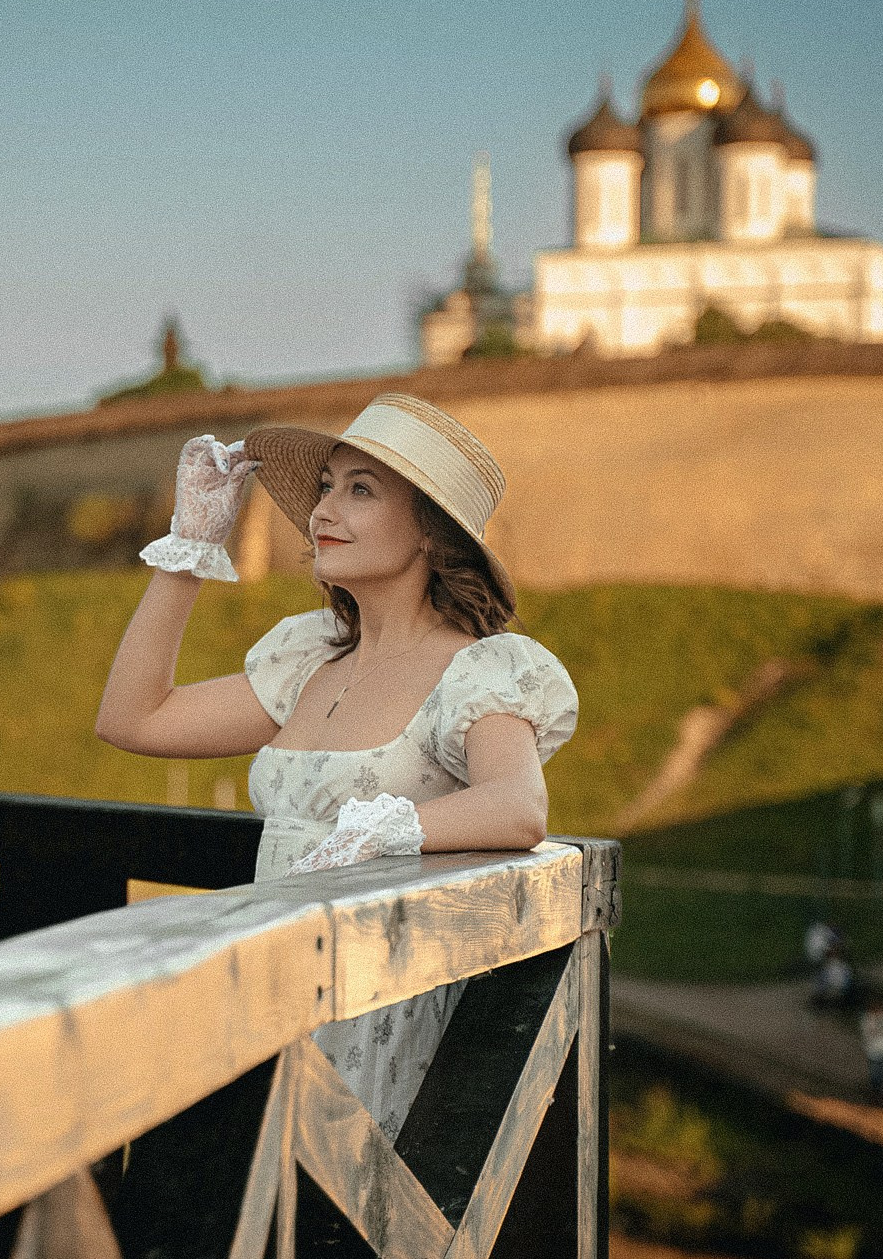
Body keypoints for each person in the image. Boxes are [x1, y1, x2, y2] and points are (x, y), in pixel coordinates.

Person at [95, 393, 578, 1139]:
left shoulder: (478, 671)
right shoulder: (310, 659)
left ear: (428, 533)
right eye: (325, 486)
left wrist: (386, 826)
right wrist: (189, 547)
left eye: (360, 490)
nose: (324, 509)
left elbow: (519, 806)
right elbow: (132, 718)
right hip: (265, 1000)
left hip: (374, 1021)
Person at [860, 996, 883, 1099]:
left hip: (878, 1049)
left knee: (878, 1071)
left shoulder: (871, 1018)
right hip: (881, 1048)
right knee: (880, 1070)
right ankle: (879, 1091)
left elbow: (867, 1032)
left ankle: (877, 1091)